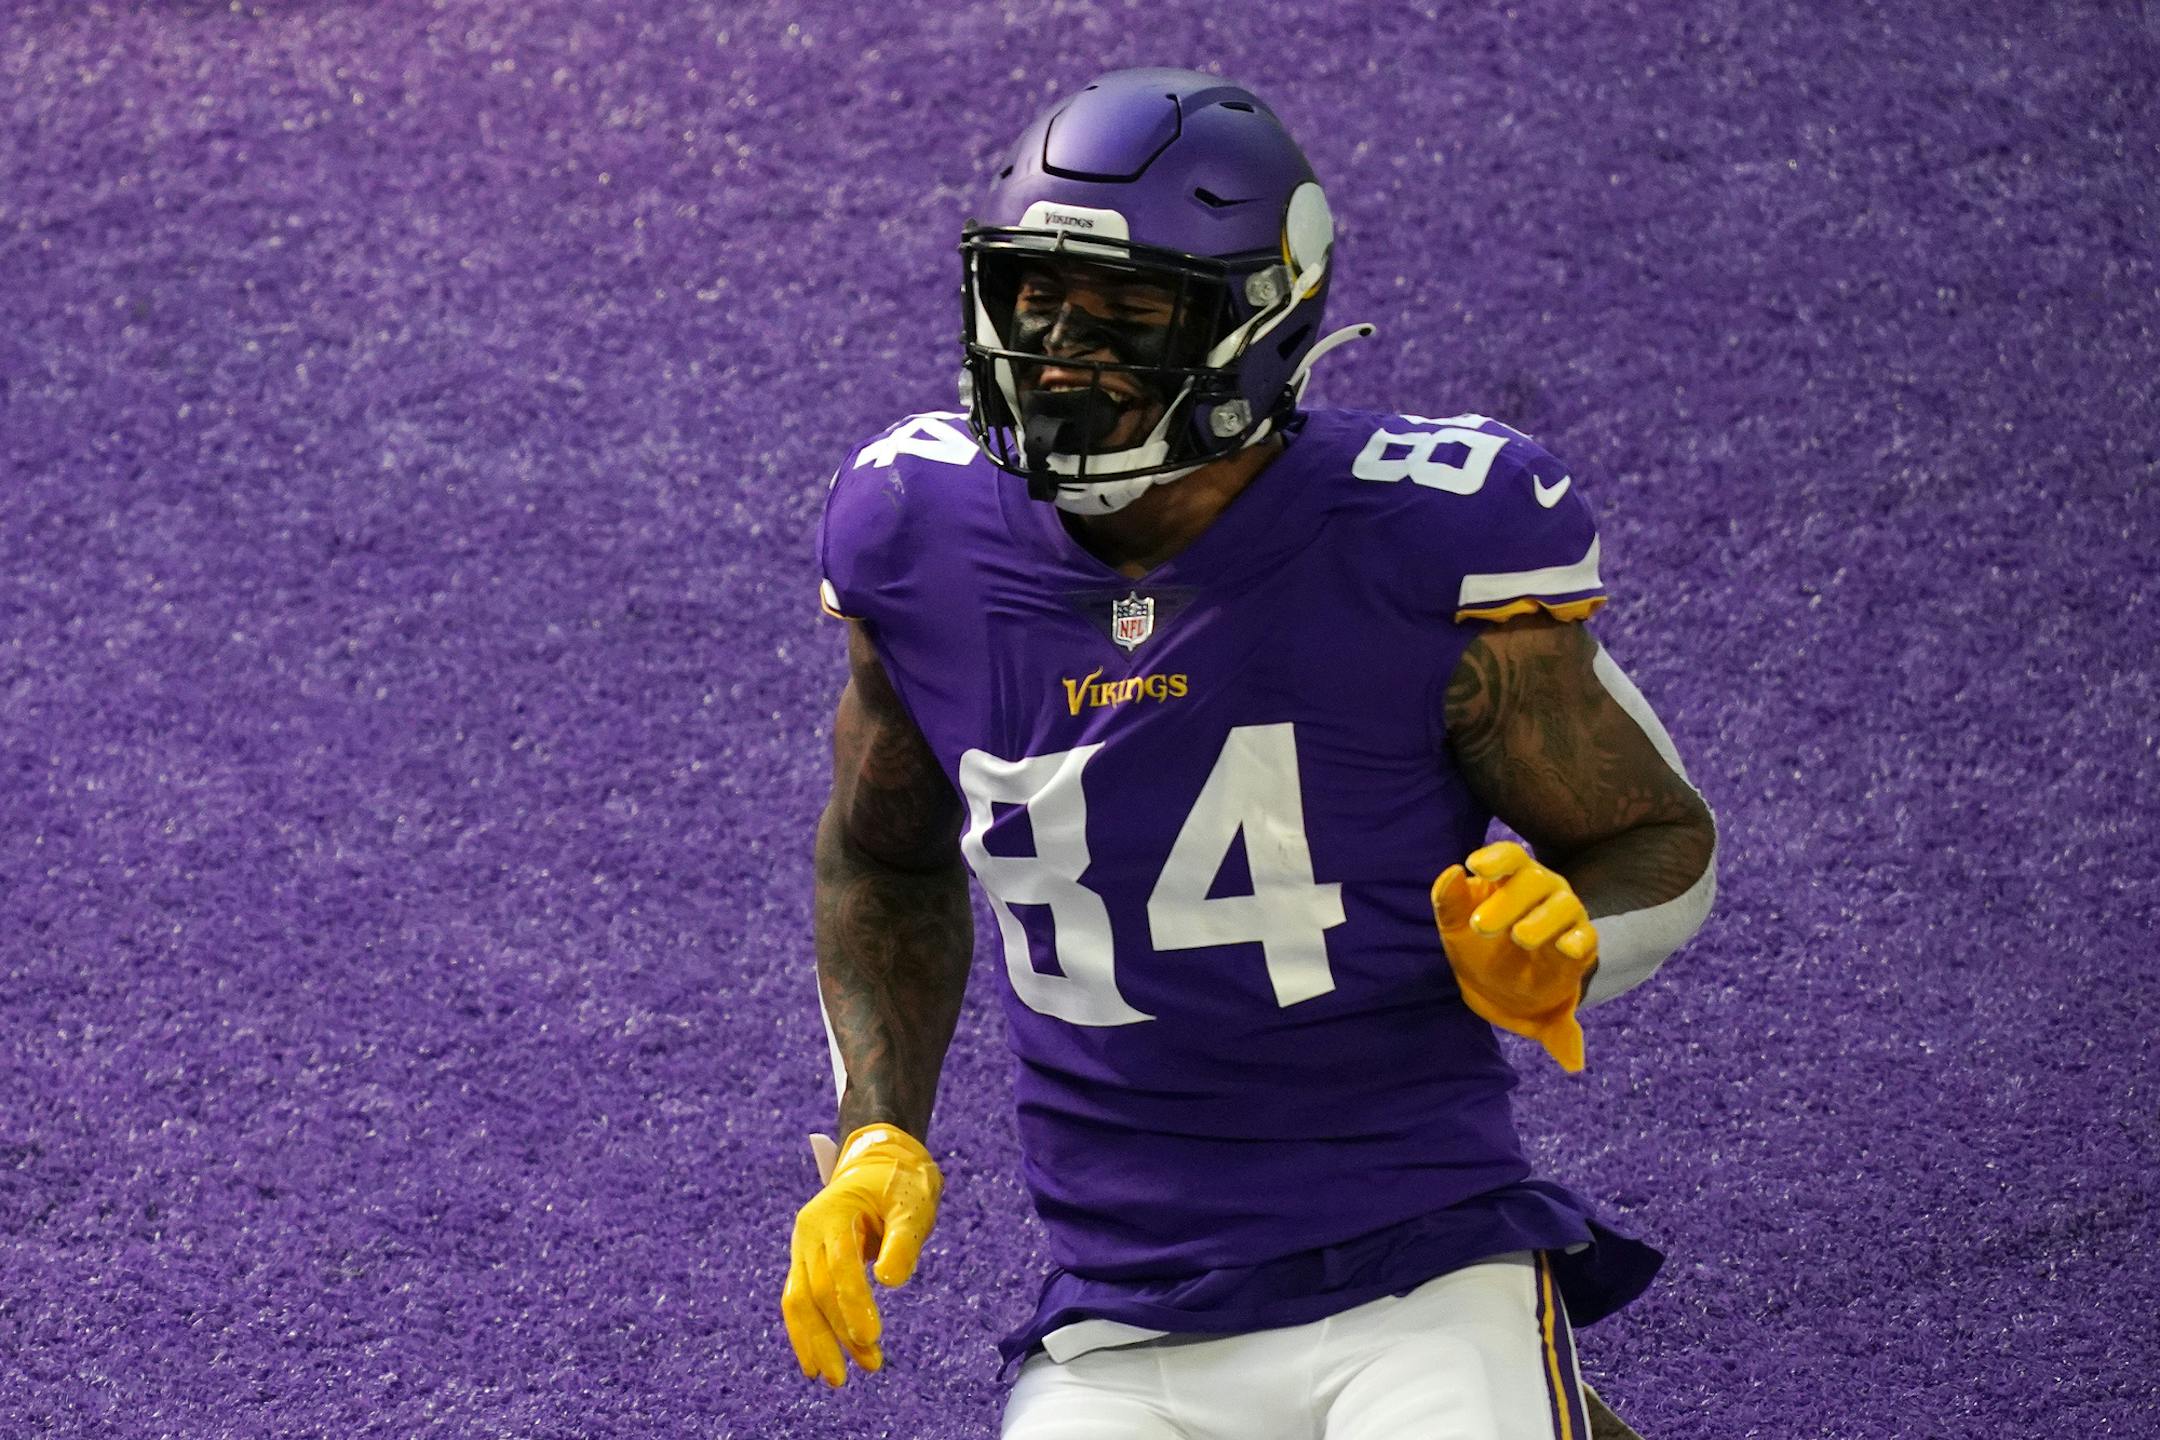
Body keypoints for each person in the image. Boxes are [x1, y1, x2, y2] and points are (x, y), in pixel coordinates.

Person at [783, 68, 1717, 1440]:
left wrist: (1572, 933)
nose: (1056, 355)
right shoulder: (917, 536)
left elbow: (1656, 836)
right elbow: (880, 856)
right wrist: (878, 1132)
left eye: (1126, 314)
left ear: (1260, 322)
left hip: (1422, 1261)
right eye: (1033, 300)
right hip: (1119, 1313)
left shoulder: (1420, 543)